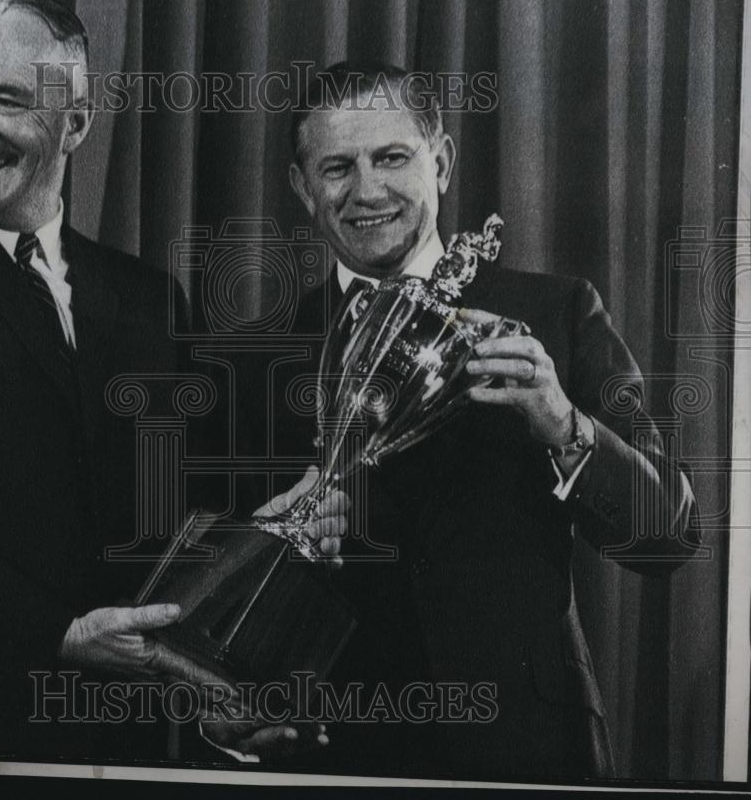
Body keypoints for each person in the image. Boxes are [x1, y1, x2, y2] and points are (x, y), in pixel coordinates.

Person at [0, 0, 347, 764]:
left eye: (7, 100)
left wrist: (273, 536)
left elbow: (185, 516)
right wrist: (60, 635)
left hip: (128, 739)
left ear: (78, 123)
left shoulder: (148, 299)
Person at [243, 62, 701, 780]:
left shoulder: (558, 312)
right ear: (303, 188)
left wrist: (561, 421)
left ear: (443, 162)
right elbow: (229, 589)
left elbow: (668, 537)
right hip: (336, 753)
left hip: (529, 749)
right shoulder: (256, 357)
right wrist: (273, 543)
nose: (367, 191)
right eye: (337, 167)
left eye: (392, 157)